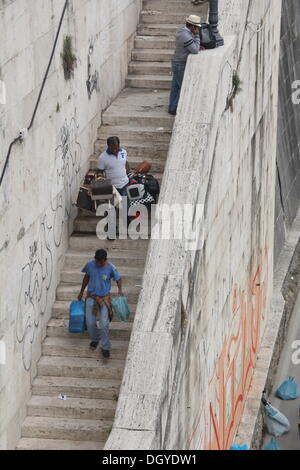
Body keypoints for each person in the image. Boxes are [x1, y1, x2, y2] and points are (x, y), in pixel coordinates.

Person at [78, 249, 124, 358]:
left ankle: (105, 347)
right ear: (95, 259)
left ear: (105, 259)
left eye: (101, 262)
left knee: (104, 324)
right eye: (97, 262)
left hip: (104, 299)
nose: (99, 264)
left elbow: (118, 278)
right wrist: (81, 291)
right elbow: (86, 277)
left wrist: (120, 290)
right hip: (91, 297)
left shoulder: (111, 268)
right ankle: (95, 338)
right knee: (90, 322)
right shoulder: (90, 265)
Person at [168, 15, 201, 116]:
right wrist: (196, 36)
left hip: (177, 62)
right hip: (180, 64)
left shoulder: (182, 31)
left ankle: (172, 108)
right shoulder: (185, 36)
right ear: (192, 27)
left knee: (175, 87)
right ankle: (174, 108)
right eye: (197, 28)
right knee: (182, 87)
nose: (198, 29)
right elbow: (195, 50)